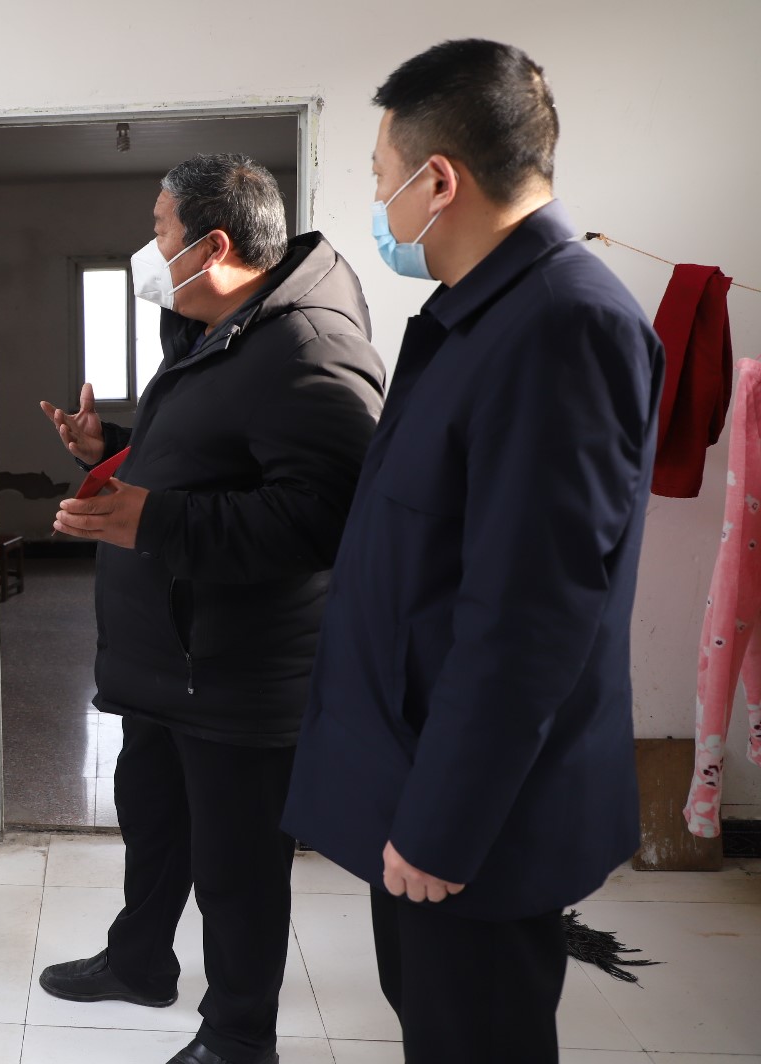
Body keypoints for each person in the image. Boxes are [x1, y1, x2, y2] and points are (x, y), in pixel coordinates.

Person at [281, 40, 664, 1064]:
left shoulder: (563, 324)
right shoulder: (482, 317)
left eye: (380, 177)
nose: (379, 202)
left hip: (471, 822)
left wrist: (442, 824)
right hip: (418, 782)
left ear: (437, 180)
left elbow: (530, 615)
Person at [37, 154, 384, 1064]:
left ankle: (237, 1035)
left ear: (214, 246)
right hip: (169, 659)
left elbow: (330, 515)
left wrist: (155, 518)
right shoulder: (214, 329)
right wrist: (110, 448)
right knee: (154, 824)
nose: (148, 248)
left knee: (237, 868)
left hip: (236, 672)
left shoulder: (307, 344)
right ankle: (139, 961)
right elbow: (210, 456)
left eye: (158, 231)